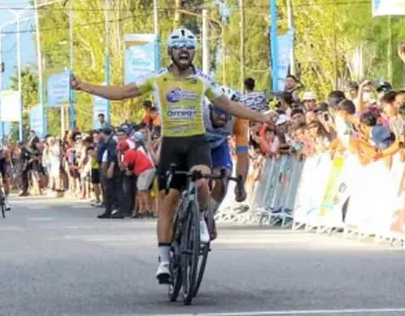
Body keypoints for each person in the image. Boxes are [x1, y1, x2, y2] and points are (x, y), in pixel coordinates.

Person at [70, 27, 277, 284]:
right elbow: (122, 93)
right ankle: (164, 260)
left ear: (193, 52)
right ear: (170, 51)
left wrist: (262, 117)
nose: (184, 51)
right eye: (178, 47)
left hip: (196, 142)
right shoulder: (157, 78)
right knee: (169, 200)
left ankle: (202, 220)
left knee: (202, 178)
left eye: (189, 47)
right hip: (171, 144)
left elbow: (229, 105)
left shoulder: (203, 79)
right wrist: (85, 87)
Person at [202, 85, 251, 239]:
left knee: (223, 178)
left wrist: (240, 184)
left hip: (218, 148)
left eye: (227, 113)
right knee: (199, 179)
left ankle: (208, 215)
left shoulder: (239, 118)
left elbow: (242, 154)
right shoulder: (198, 112)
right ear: (209, 108)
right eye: (218, 111)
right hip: (195, 146)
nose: (223, 117)